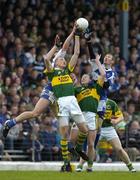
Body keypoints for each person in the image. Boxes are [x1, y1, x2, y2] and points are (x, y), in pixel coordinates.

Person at [2, 30, 74, 138]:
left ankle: (67, 146)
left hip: (57, 94)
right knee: (35, 113)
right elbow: (49, 57)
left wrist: (73, 33)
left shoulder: (62, 60)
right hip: (51, 91)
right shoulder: (55, 60)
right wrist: (57, 45)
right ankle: (11, 122)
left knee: (61, 119)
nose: (63, 57)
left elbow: (65, 46)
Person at [44, 25, 88, 172]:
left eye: (63, 60)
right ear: (56, 63)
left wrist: (77, 36)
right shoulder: (52, 73)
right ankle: (66, 164)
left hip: (73, 101)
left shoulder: (68, 71)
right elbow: (46, 58)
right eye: (61, 60)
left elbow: (76, 53)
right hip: (62, 102)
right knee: (64, 134)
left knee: (84, 130)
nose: (63, 60)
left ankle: (77, 148)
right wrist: (55, 48)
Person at [76, 99, 136, 172]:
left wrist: (116, 121)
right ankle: (80, 166)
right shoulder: (92, 101)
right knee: (90, 147)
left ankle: (130, 166)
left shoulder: (111, 103)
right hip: (96, 128)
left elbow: (121, 116)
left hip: (109, 128)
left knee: (119, 149)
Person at [70, 53, 105, 172]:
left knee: (91, 144)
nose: (84, 78)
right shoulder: (77, 89)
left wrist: (97, 62)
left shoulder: (96, 88)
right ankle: (78, 155)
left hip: (91, 116)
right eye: (82, 77)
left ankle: (89, 166)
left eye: (86, 77)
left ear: (90, 79)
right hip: (80, 116)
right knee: (73, 139)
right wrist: (72, 82)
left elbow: (103, 74)